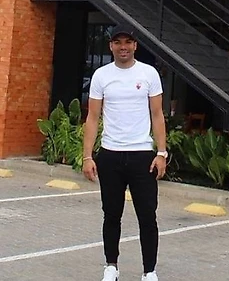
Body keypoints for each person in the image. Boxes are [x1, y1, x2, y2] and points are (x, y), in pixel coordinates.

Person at [82, 25, 167, 281]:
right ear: (111, 46)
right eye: (118, 42)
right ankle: (111, 266)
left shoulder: (149, 74)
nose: (123, 47)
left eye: (127, 42)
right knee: (111, 214)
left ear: (135, 45)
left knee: (147, 216)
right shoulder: (101, 76)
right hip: (110, 155)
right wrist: (87, 156)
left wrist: (161, 153)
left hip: (142, 155)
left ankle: (149, 271)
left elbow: (157, 115)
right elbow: (93, 117)